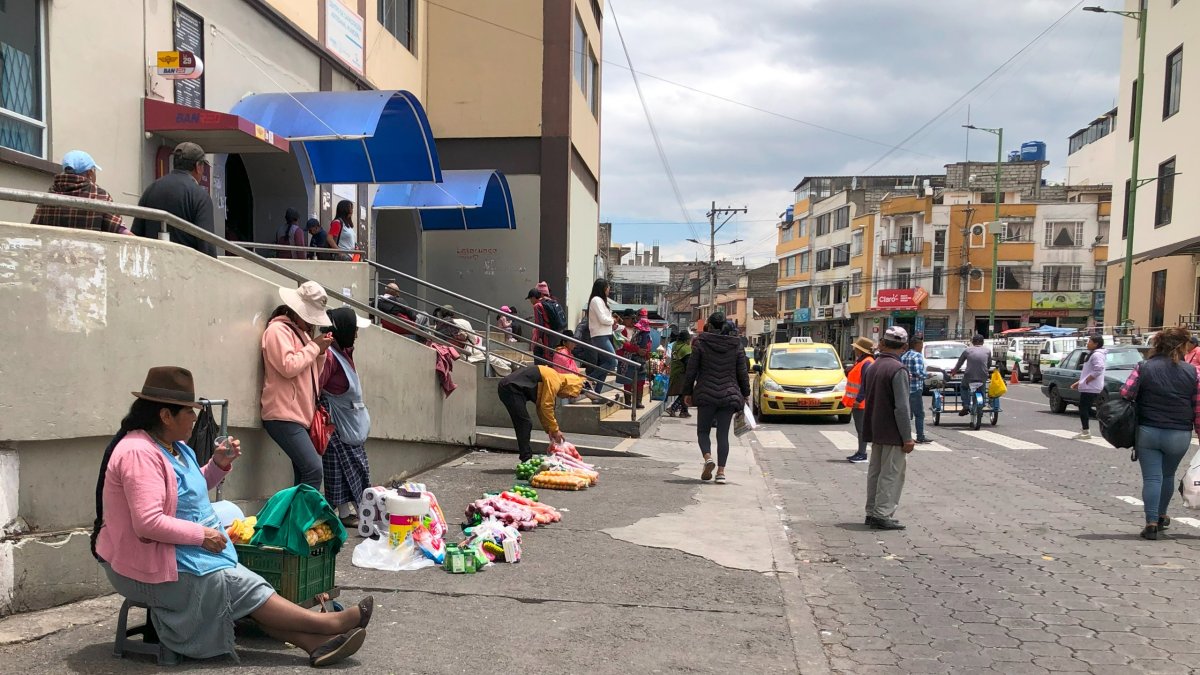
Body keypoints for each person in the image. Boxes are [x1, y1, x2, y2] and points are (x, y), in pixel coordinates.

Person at [94, 367, 371, 666]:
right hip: (142, 567)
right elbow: (147, 523)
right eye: (189, 412)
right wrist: (202, 535)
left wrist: (218, 464)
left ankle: (316, 644)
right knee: (233, 584)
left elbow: (190, 489)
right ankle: (328, 625)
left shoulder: (175, 448)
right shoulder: (138, 453)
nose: (195, 418)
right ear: (165, 415)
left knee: (242, 584)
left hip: (179, 552)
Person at [1119, 327, 1200, 540]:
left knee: (1152, 478)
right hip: (1179, 433)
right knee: (1168, 475)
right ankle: (1163, 514)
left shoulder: (1144, 367)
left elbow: (1126, 392)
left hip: (1149, 430)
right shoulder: (1193, 372)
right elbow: (1198, 406)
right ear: (1183, 346)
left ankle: (1152, 522)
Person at [261, 281, 335, 489]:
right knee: (313, 470)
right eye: (309, 317)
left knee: (304, 474)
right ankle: (297, 520)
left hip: (297, 415)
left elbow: (311, 374)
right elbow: (288, 366)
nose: (311, 324)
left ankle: (293, 520)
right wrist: (314, 347)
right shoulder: (277, 330)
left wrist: (319, 353)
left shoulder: (300, 334)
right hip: (282, 414)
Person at [682, 312, 750, 484]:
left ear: (709, 326)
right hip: (729, 395)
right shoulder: (736, 345)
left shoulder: (700, 343)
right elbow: (742, 372)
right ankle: (721, 473)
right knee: (723, 435)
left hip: (706, 393)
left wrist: (687, 392)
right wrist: (746, 394)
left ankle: (707, 458)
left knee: (703, 431)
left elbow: (691, 370)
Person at [320, 307, 373, 529]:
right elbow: (316, 386)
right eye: (354, 330)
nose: (357, 335)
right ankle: (344, 513)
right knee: (340, 470)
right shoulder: (331, 357)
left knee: (353, 469)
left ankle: (346, 512)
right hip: (338, 424)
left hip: (351, 424)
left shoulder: (343, 352)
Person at [861, 326, 916, 531]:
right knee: (891, 473)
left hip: (875, 428)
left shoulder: (873, 366)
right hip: (892, 431)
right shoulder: (897, 369)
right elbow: (902, 407)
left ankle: (871, 511)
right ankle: (882, 513)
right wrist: (907, 437)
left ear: (883, 343)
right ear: (905, 347)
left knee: (875, 472)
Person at [132, 142, 216, 256]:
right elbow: (207, 243)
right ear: (198, 166)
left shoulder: (151, 189)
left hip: (152, 264)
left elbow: (136, 235)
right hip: (187, 267)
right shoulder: (200, 196)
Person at [497, 365, 585, 461]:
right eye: (569, 395)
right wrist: (555, 429)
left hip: (509, 387)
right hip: (511, 388)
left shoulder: (553, 377)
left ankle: (526, 457)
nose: (565, 397)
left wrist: (549, 429)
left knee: (523, 423)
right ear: (570, 386)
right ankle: (526, 458)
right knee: (524, 423)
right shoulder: (554, 380)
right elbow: (546, 406)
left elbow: (541, 407)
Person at [31, 150, 128, 233]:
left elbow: (34, 227)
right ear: (90, 173)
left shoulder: (49, 195)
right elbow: (119, 230)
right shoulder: (99, 195)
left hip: (53, 253)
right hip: (88, 253)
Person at [843, 337, 877, 463]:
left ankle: (862, 454)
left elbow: (865, 383)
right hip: (858, 402)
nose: (854, 349)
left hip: (861, 403)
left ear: (861, 350)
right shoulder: (862, 361)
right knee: (859, 428)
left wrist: (859, 398)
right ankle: (860, 451)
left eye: (856, 347)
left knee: (862, 429)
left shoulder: (867, 362)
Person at [1071, 334, 1107, 440]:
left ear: (1096, 344)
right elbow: (1089, 371)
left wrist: (1087, 380)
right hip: (1089, 386)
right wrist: (1080, 382)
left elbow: (1099, 369)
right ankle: (1102, 420)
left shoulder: (1097, 355)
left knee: (1084, 408)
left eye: (1090, 342)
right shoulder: (1094, 354)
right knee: (1085, 408)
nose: (1088, 343)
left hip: (1091, 386)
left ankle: (1086, 431)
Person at [585, 279, 618, 395]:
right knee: (612, 362)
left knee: (606, 363)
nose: (609, 290)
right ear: (603, 288)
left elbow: (605, 320)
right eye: (607, 288)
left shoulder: (602, 301)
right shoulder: (596, 300)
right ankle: (588, 380)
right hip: (600, 335)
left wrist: (615, 325)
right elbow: (603, 319)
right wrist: (612, 320)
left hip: (605, 334)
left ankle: (596, 391)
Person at [617, 311, 653, 409]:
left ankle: (638, 402)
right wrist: (637, 349)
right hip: (627, 358)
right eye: (630, 318)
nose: (632, 320)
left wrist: (646, 351)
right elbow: (622, 343)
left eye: (634, 318)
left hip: (640, 358)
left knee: (640, 380)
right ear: (624, 319)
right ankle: (628, 402)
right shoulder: (621, 329)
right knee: (628, 380)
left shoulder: (641, 330)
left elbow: (649, 341)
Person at [899, 335, 931, 444]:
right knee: (919, 414)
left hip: (905, 388)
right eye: (921, 345)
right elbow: (918, 372)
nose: (922, 347)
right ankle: (920, 436)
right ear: (917, 345)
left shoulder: (904, 356)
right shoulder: (917, 356)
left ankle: (905, 436)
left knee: (907, 414)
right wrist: (928, 375)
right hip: (915, 389)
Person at [950, 334, 992, 416]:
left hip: (969, 376)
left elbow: (960, 363)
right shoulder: (987, 351)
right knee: (982, 387)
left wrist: (954, 371)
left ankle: (966, 405)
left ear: (973, 342)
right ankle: (982, 404)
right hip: (983, 375)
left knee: (963, 387)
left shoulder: (967, 350)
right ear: (983, 342)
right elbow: (989, 364)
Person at [666, 329, 693, 417]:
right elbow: (688, 364)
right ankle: (673, 408)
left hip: (675, 371)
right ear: (686, 340)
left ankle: (684, 411)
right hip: (682, 373)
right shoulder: (685, 348)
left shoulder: (675, 345)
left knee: (684, 392)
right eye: (689, 339)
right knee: (685, 392)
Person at [528, 288, 552, 361]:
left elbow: (539, 324)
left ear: (533, 297)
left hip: (544, 336)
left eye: (530, 299)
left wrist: (539, 338)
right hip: (550, 334)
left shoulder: (537, 306)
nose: (530, 301)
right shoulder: (546, 302)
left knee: (538, 353)